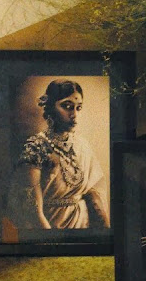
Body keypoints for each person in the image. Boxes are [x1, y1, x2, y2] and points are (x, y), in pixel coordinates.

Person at [8, 79, 109, 232]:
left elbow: (94, 193)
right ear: (50, 107)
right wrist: (52, 239)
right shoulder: (36, 147)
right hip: (50, 225)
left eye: (78, 107)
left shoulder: (83, 146)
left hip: (83, 224)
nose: (74, 114)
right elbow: (33, 211)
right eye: (67, 106)